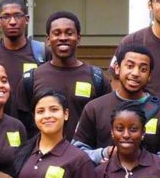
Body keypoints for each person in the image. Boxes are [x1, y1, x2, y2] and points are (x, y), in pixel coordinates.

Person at [75, 44, 160, 166]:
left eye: (143, 69)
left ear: (149, 76)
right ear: (117, 68)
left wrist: (140, 163)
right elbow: (77, 152)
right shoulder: (95, 108)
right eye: (130, 66)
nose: (135, 73)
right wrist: (105, 153)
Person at [15, 10, 109, 138]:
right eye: (57, 33)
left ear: (78, 38)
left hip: (84, 155)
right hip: (44, 155)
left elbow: (105, 122)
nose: (63, 38)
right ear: (48, 40)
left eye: (69, 33)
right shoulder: (32, 79)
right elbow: (23, 124)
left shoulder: (96, 78)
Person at [0, 0, 46, 113]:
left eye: (17, 16)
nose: (12, 22)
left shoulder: (42, 53)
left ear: (26, 19)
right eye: (6, 17)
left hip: (34, 126)